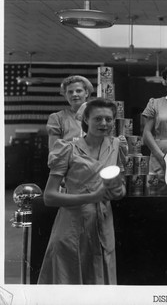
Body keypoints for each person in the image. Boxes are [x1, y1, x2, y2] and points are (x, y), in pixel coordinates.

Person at [38, 98, 128, 284]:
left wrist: (118, 191)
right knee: (69, 283)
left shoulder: (117, 146)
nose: (104, 123)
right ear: (86, 119)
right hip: (72, 226)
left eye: (108, 119)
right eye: (98, 119)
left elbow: (121, 190)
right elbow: (49, 196)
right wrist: (92, 197)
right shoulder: (68, 149)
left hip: (103, 226)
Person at [46, 75, 93, 152]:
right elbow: (54, 152)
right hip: (68, 162)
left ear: (86, 93)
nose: (74, 94)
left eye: (78, 91)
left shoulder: (98, 116)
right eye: (70, 92)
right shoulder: (57, 118)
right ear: (65, 95)